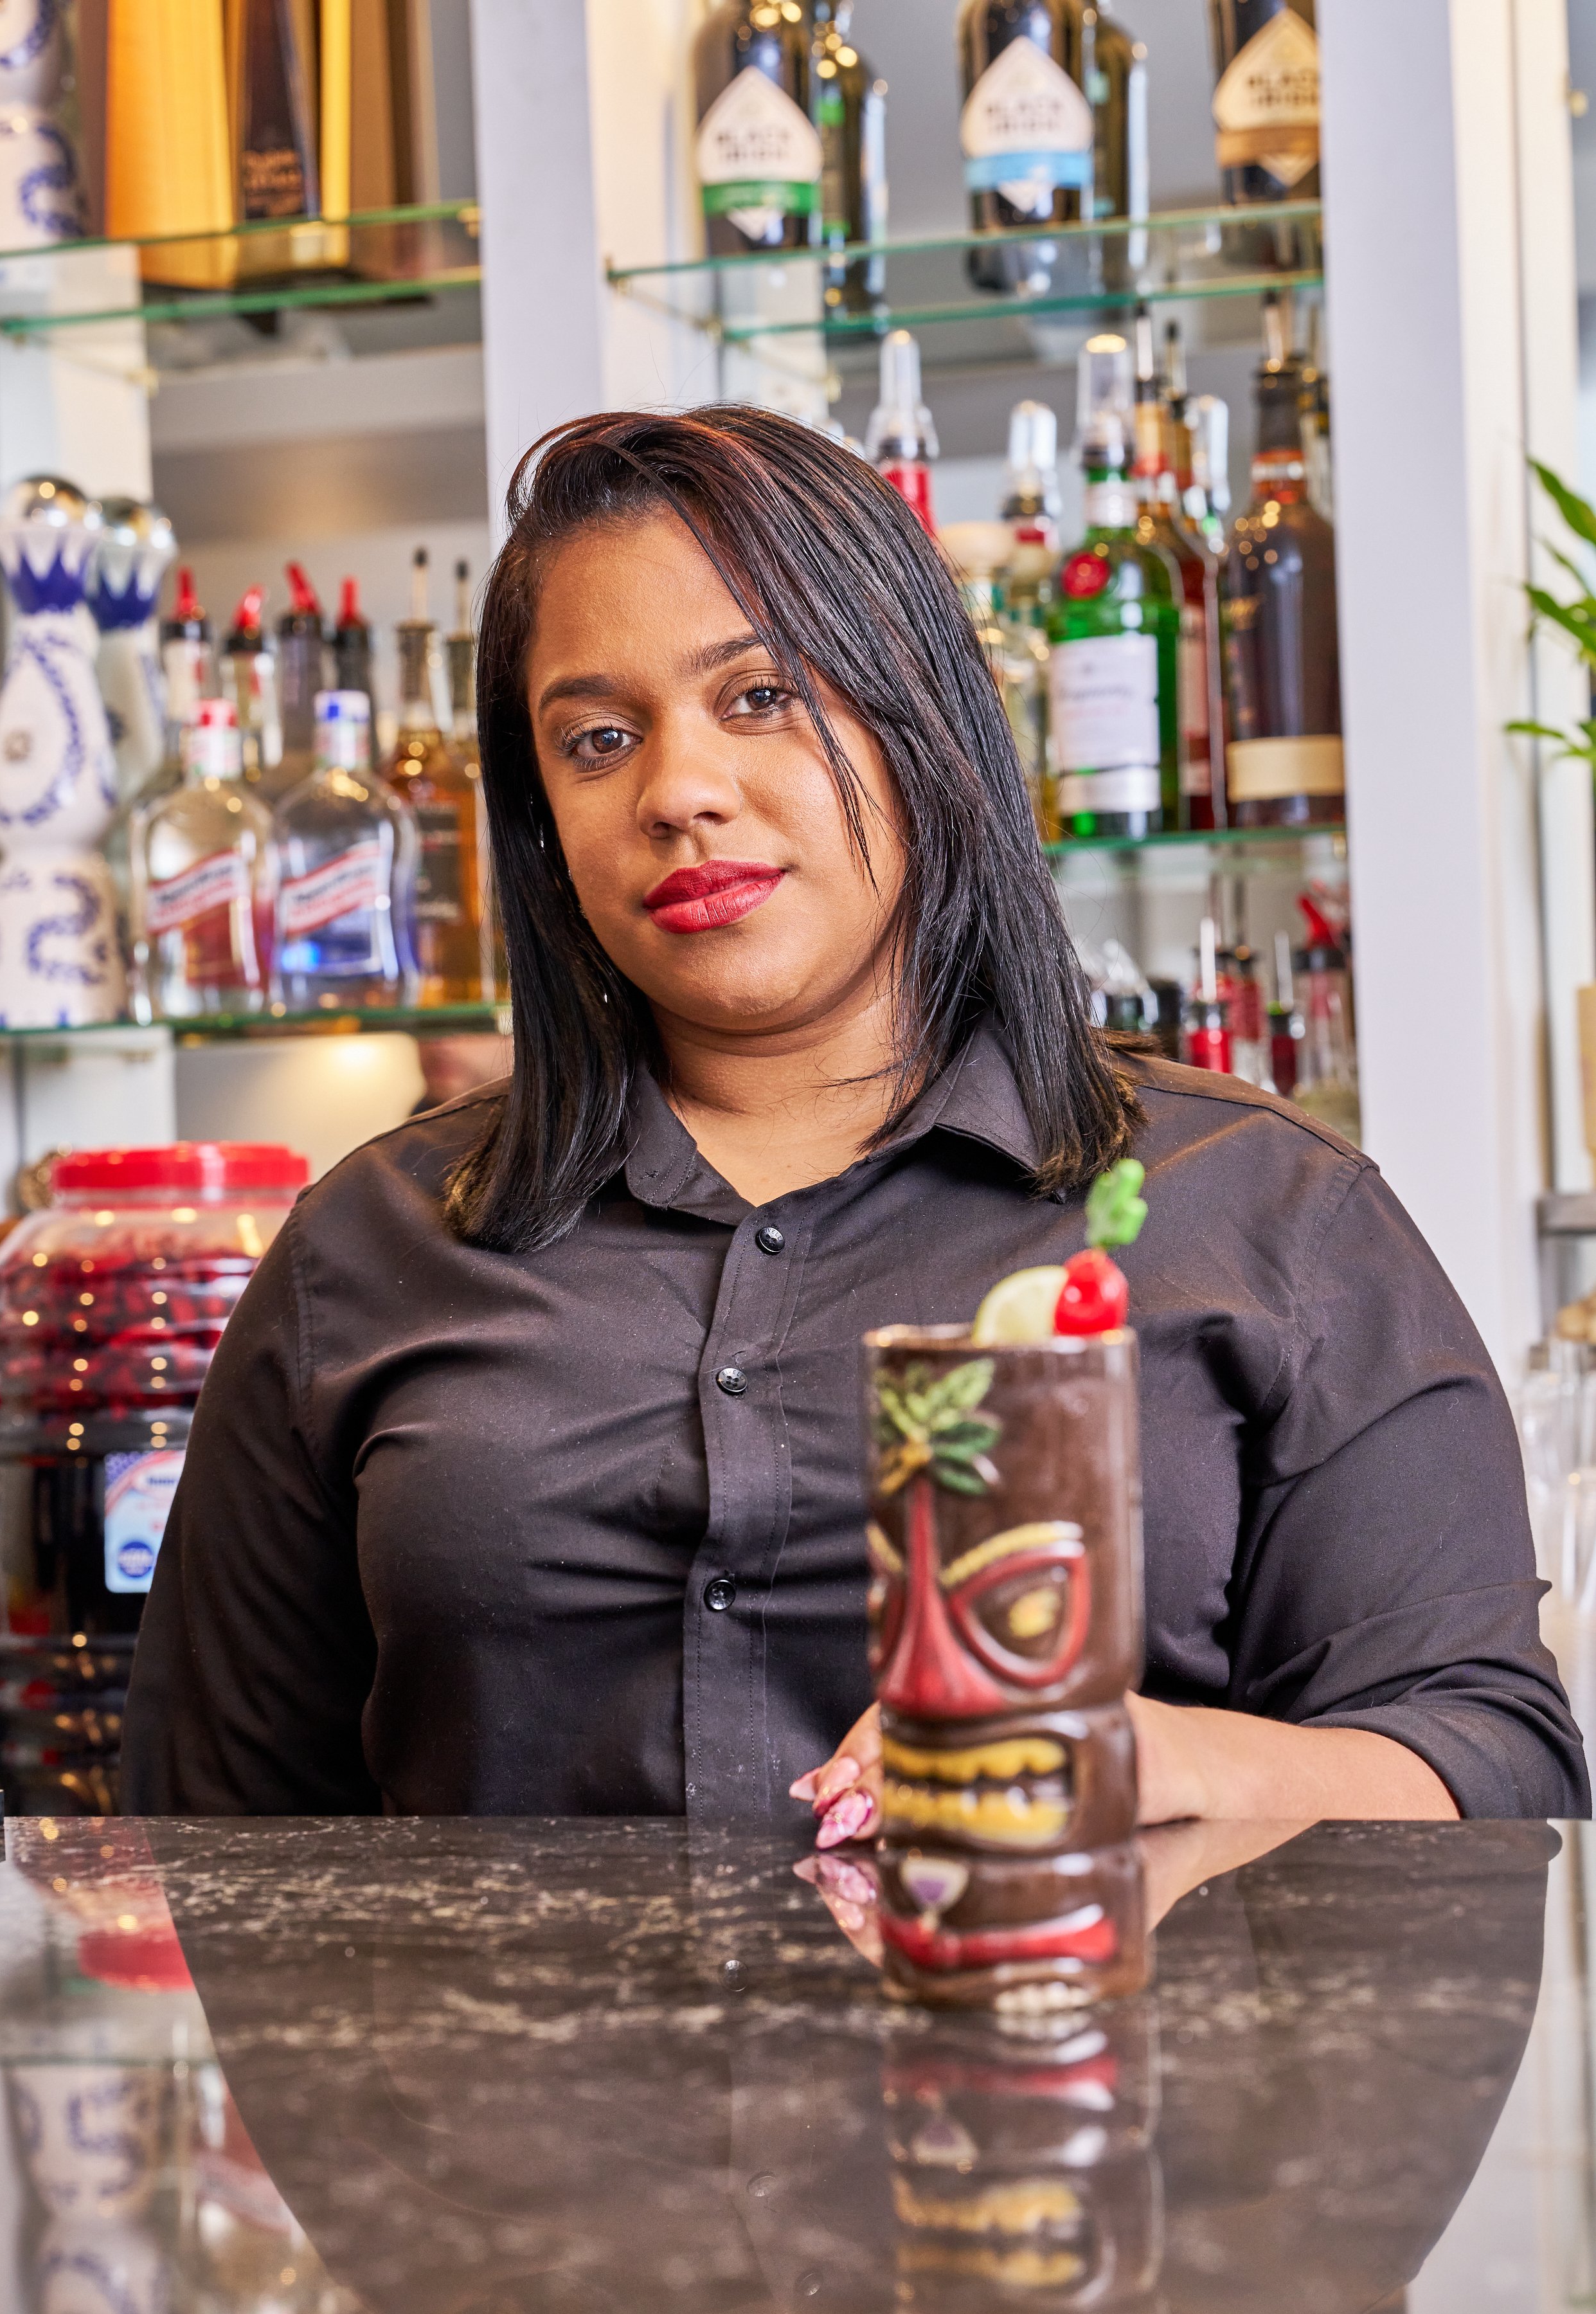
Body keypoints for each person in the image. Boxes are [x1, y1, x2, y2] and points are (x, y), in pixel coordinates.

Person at [119, 406, 1586, 1827]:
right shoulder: (367, 1247)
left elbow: (1491, 1759)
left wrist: (1184, 1765)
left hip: (1093, 2075)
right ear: (541, 826)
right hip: (499, 2087)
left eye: (759, 697)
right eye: (595, 740)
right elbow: (203, 1840)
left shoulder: (1266, 1209)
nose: (680, 792)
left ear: (920, 720)